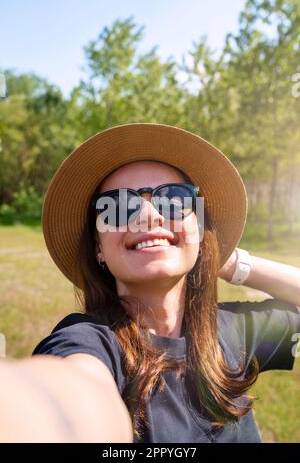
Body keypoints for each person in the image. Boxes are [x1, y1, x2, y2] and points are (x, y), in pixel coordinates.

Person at [6, 123, 300, 442]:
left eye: (174, 200)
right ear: (98, 249)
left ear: (200, 231)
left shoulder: (234, 331)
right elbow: (64, 399)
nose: (149, 216)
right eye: (118, 206)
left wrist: (227, 261)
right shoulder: (91, 343)